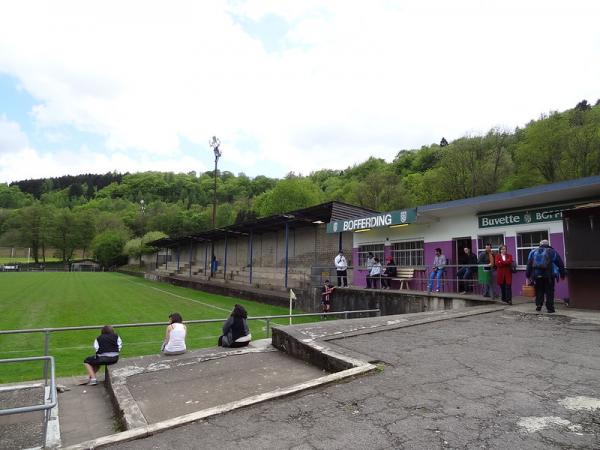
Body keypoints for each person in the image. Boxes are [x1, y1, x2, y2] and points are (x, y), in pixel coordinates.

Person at [526, 239, 565, 313]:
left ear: (540, 244)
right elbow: (560, 264)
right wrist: (562, 275)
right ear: (548, 244)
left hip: (537, 275)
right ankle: (550, 308)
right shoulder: (553, 252)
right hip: (549, 276)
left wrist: (527, 276)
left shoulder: (533, 252)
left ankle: (538, 305)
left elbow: (529, 265)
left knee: (539, 290)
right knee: (549, 291)